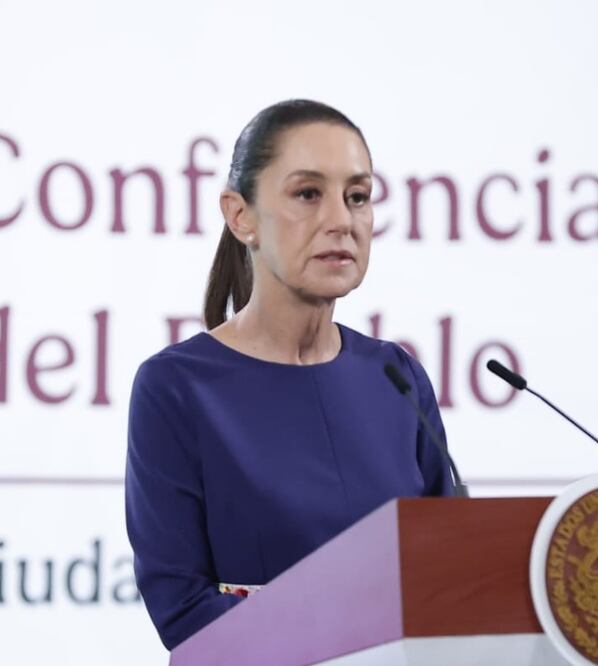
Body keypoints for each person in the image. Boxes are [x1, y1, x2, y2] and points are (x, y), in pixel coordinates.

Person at [124, 99, 455, 650]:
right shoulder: (177, 388)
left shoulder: (397, 377)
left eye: (357, 197)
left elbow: (451, 578)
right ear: (241, 216)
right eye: (308, 194)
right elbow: (183, 612)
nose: (341, 221)